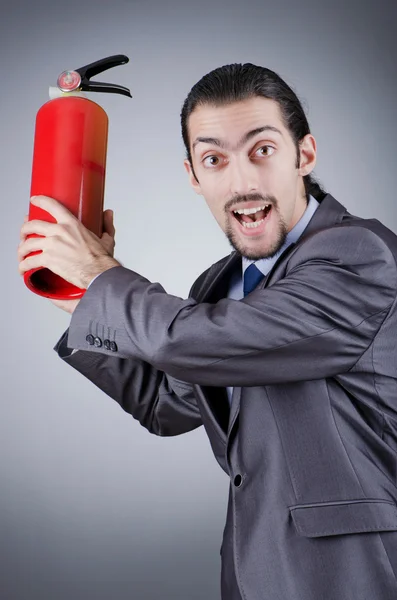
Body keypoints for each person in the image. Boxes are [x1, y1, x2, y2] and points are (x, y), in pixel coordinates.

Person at [18, 63, 397, 600]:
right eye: (214, 159)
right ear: (194, 176)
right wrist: (80, 293)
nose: (241, 182)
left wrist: (102, 278)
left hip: (351, 577)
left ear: (304, 154)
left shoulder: (357, 256)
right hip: (250, 573)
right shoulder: (218, 286)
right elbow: (165, 404)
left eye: (262, 150)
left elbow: (195, 340)